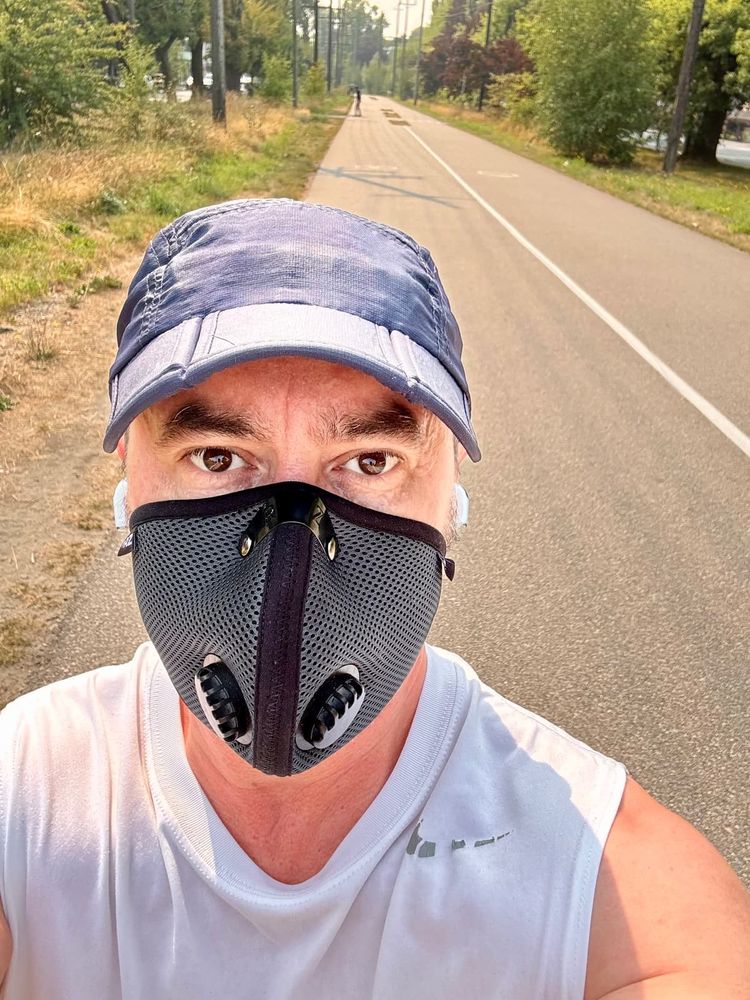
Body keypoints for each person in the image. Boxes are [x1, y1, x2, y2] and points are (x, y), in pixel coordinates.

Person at [0, 198, 748, 999]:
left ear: (451, 500)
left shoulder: (603, 878)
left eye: (370, 460)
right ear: (126, 483)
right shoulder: (24, 799)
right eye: (217, 456)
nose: (291, 553)